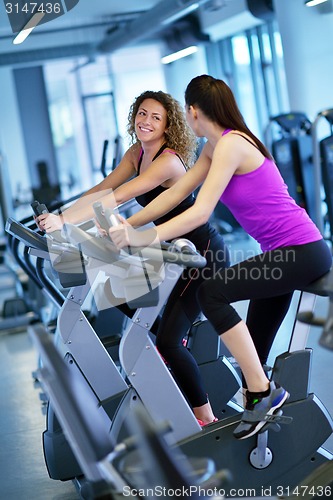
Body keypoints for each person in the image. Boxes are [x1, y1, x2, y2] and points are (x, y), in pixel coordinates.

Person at [108, 75, 332, 440]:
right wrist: (126, 228)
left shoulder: (231, 145)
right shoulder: (214, 148)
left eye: (185, 110)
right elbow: (177, 194)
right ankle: (265, 435)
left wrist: (141, 236)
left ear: (194, 112)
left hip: (302, 252)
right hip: (282, 254)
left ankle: (264, 395)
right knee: (252, 358)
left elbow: (199, 213)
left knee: (211, 292)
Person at [36, 89, 230, 426]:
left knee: (168, 340)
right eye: (142, 114)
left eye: (156, 117)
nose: (147, 121)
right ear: (134, 117)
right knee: (128, 304)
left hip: (202, 256)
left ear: (169, 126)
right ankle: (172, 384)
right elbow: (101, 190)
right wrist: (59, 216)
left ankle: (206, 420)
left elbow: (120, 195)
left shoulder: (168, 161)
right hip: (171, 253)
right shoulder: (135, 153)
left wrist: (66, 221)